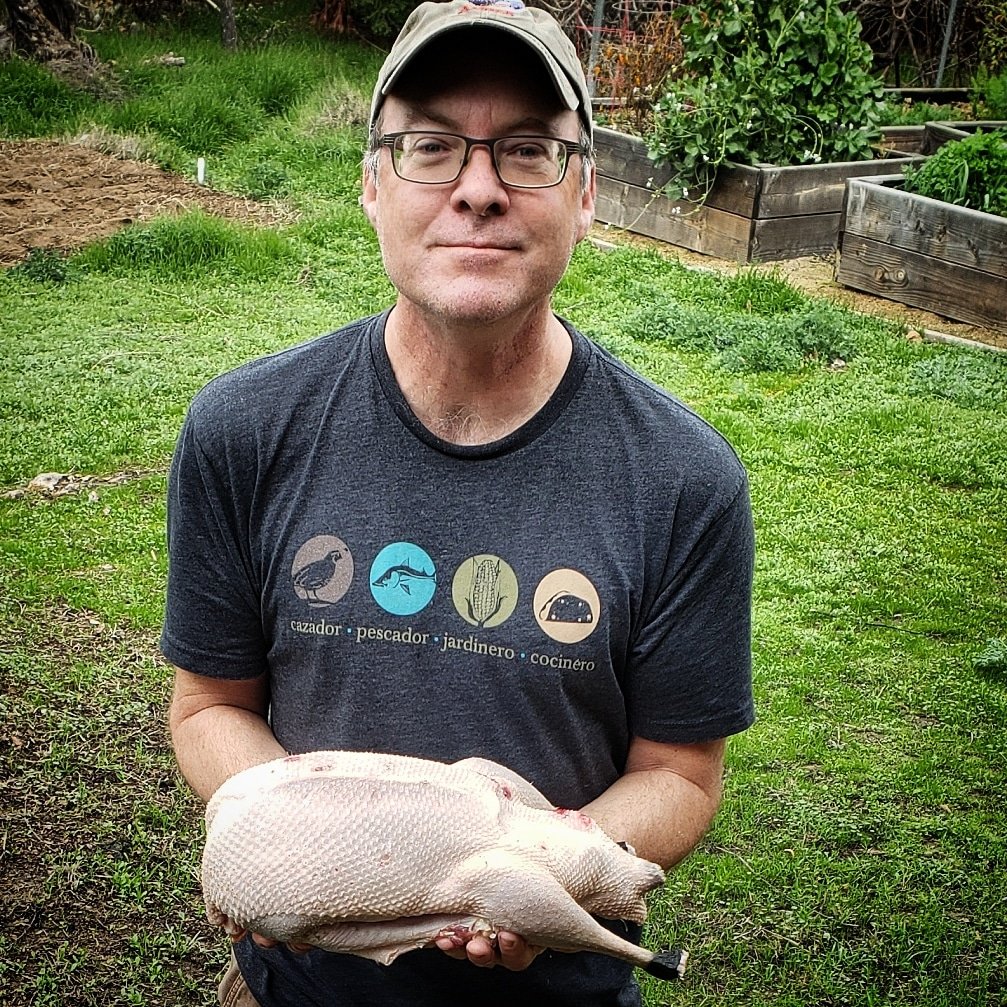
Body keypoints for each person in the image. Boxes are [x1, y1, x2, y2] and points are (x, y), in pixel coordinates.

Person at [162, 2, 755, 1005]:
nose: (476, 190)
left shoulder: (683, 479)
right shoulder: (242, 431)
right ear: (368, 183)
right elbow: (211, 706)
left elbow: (678, 775)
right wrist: (319, 849)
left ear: (587, 196)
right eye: (431, 147)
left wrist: (537, 873)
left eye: (528, 151)